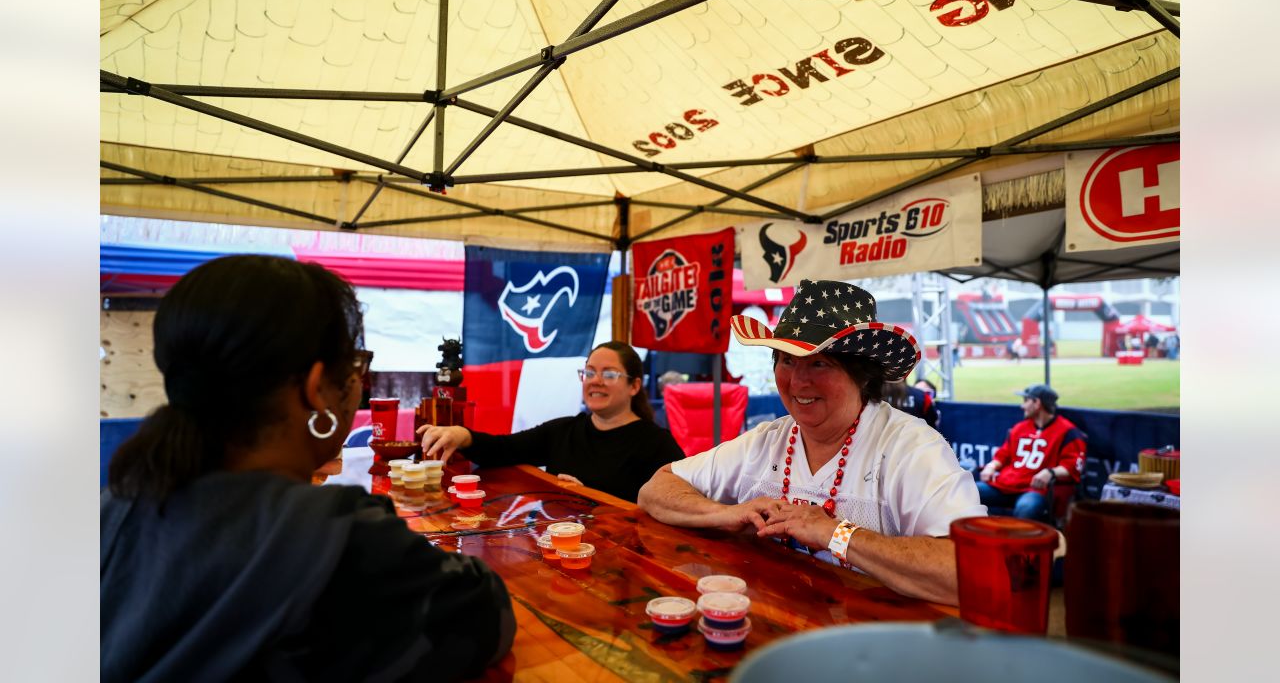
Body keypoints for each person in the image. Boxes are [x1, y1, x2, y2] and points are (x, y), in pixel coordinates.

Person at [101, 255, 514, 682]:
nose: (359, 384)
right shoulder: (336, 534)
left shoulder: (112, 506)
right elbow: (489, 614)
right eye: (356, 367)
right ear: (316, 389)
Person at [638, 280, 985, 606]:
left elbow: (973, 573)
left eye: (820, 363)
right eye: (787, 360)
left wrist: (836, 534)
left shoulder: (911, 447)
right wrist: (726, 513)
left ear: (861, 374)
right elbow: (655, 490)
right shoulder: (767, 440)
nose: (799, 380)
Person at [420, 341, 684, 502]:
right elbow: (503, 449)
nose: (596, 380)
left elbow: (676, 504)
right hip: (559, 553)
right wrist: (461, 434)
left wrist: (592, 498)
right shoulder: (563, 431)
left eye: (609, 374)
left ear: (634, 385)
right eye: (589, 372)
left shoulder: (656, 444)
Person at [977, 384, 1087, 520]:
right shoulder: (1019, 428)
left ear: (1037, 403)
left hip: (1035, 490)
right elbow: (1003, 455)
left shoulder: (1068, 432)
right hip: (1005, 485)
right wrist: (991, 466)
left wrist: (1050, 472)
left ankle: (1016, 541)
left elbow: (1073, 466)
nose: (1022, 406)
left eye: (1026, 401)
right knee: (966, 492)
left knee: (1026, 508)